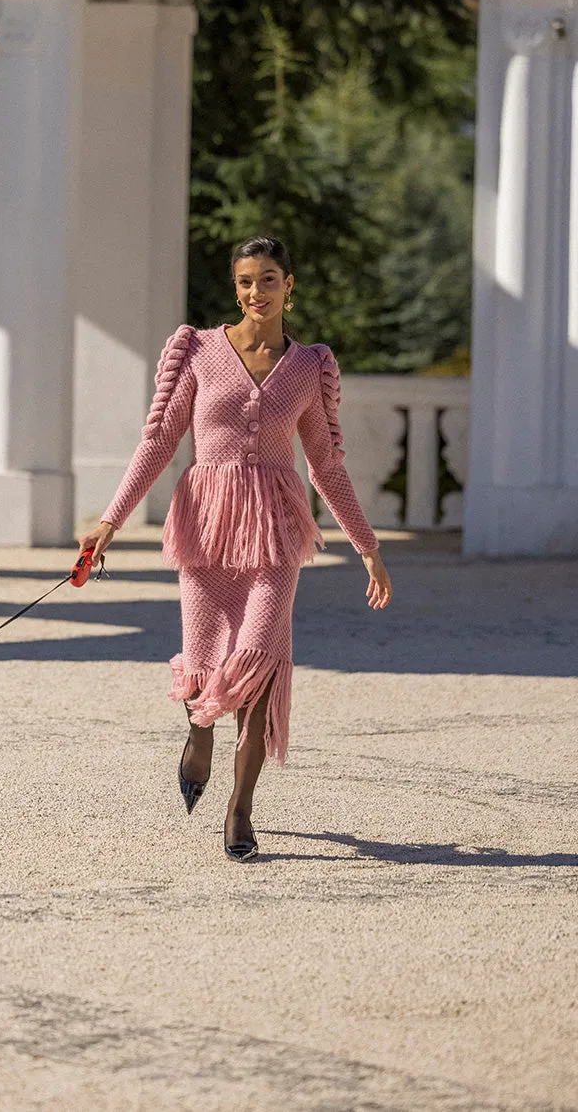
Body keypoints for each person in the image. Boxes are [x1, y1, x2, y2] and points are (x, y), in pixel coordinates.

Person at [77, 235, 392, 862]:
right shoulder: (196, 350)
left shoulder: (310, 367)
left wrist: (367, 546)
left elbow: (326, 464)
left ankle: (240, 808)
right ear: (235, 286)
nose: (257, 292)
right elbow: (160, 441)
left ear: (289, 286)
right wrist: (110, 522)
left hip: (276, 534)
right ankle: (199, 728)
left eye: (269, 279)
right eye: (246, 281)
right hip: (206, 532)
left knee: (259, 660)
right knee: (204, 655)